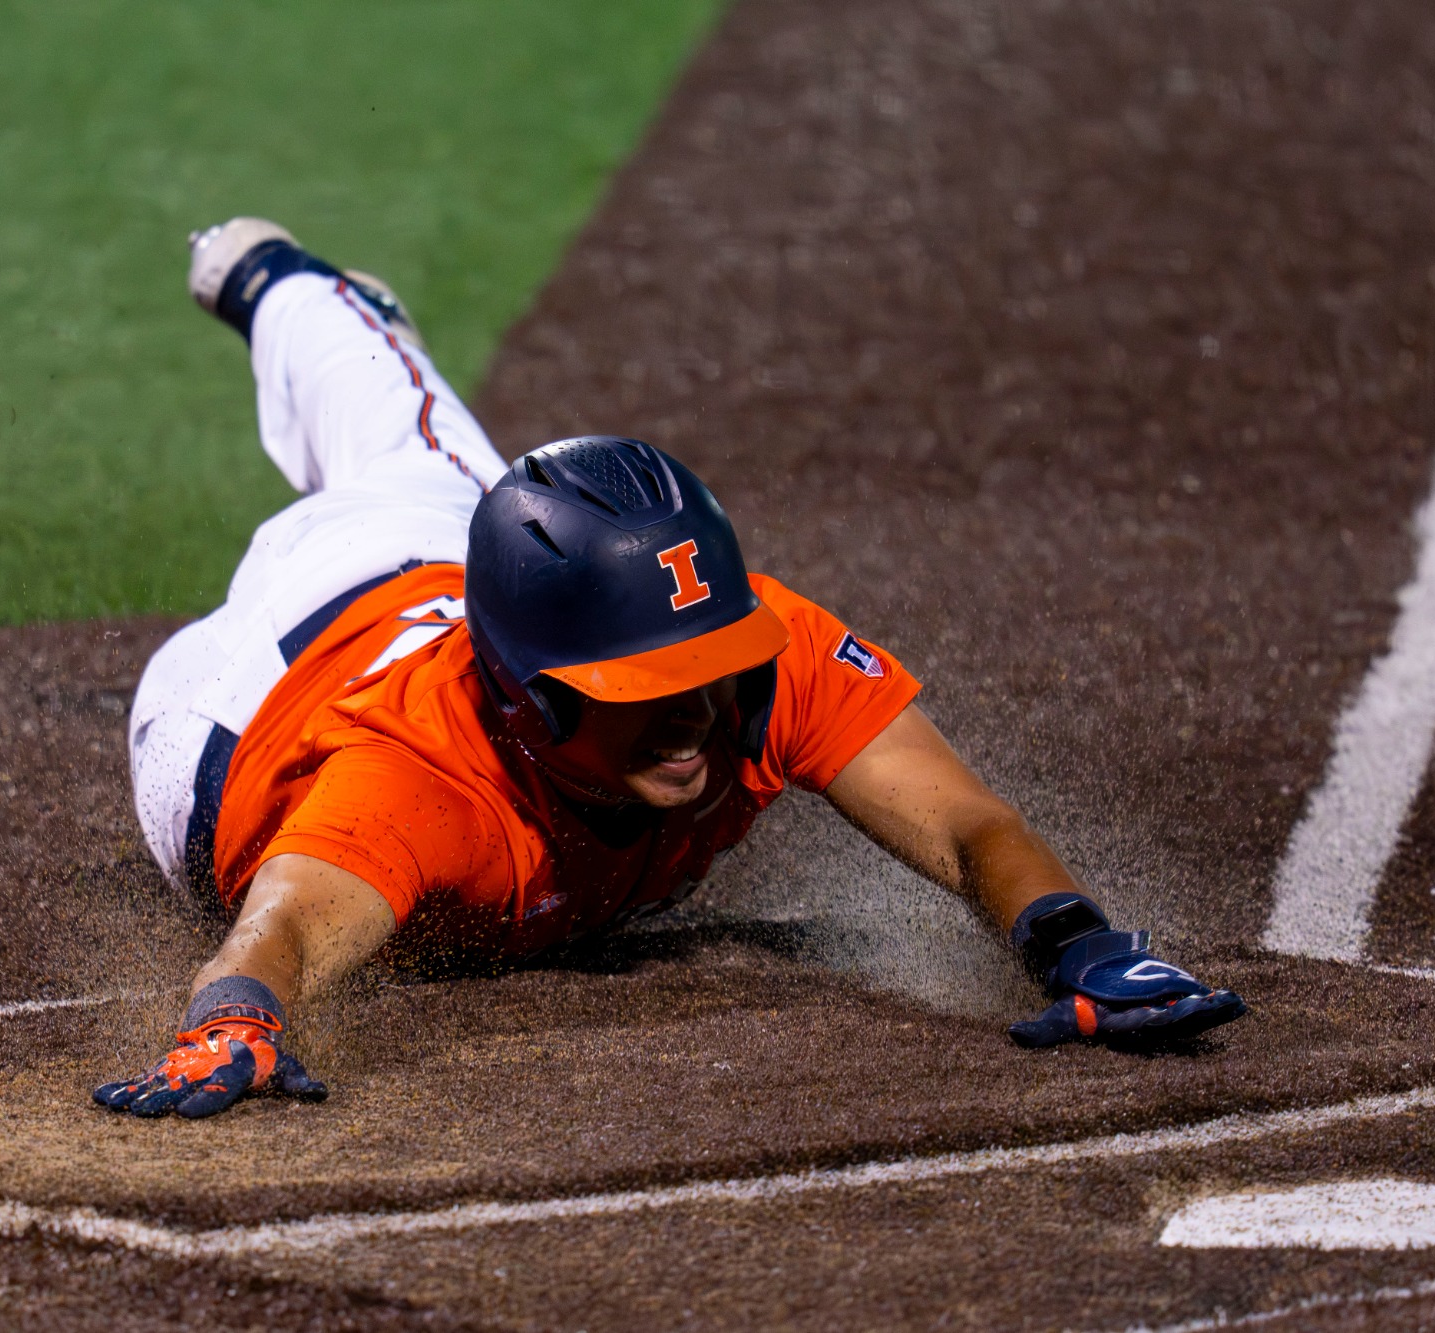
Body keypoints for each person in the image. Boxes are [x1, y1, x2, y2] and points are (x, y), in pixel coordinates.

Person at [94, 220, 1246, 1120]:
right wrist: (235, 1018)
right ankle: (292, 289)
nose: (697, 714)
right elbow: (279, 935)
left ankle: (281, 288)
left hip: (463, 578)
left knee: (420, 447)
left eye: (710, 668)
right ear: (529, 707)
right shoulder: (413, 784)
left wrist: (1073, 938)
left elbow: (965, 825)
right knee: (390, 447)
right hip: (229, 707)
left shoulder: (741, 653)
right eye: (645, 692)